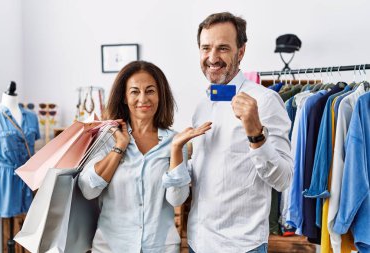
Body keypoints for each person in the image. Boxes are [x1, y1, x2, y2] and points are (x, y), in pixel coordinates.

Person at [162, 12, 293, 253]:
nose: (212, 57)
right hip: (198, 242)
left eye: (222, 48)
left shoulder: (265, 101)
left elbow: (284, 179)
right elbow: (207, 174)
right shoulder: (202, 105)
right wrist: (177, 153)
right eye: (206, 48)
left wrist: (255, 133)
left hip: (241, 246)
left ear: (240, 52)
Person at [78, 60, 210, 253]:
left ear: (159, 95)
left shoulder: (175, 141)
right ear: (124, 97)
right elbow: (89, 189)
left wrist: (175, 150)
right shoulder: (106, 138)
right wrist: (119, 147)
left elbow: (177, 199)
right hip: (111, 247)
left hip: (160, 247)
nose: (143, 99)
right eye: (134, 91)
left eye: (150, 91)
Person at [0, 81, 40, 218]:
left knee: (29, 218)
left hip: (28, 176)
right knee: (8, 219)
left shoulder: (31, 116)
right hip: (5, 177)